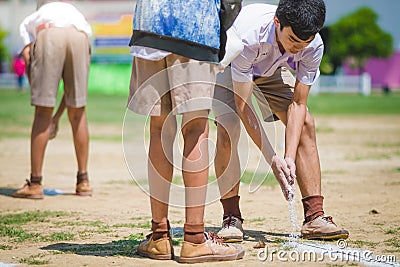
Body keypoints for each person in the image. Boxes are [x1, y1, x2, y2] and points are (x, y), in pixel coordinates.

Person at [126, 0, 291, 263]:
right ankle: (193, 239)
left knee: (159, 130)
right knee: (195, 130)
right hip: (195, 27)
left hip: (149, 22)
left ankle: (158, 237)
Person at [215, 0, 349, 241]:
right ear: (277, 22)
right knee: (229, 126)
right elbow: (243, 105)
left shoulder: (313, 45)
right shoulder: (249, 34)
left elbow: (298, 103)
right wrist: (273, 159)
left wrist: (288, 157)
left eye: (305, 43)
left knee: (306, 123)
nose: (298, 48)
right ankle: (231, 218)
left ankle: (314, 216)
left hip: (269, 69)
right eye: (293, 41)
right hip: (232, 64)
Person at [13, 0, 92, 199]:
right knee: (78, 111)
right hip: (80, 36)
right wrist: (56, 119)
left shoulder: (30, 20)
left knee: (41, 112)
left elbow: (28, 56)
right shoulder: (73, 11)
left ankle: (35, 183)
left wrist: (48, 113)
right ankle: (83, 181)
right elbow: (70, 93)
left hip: (49, 35)